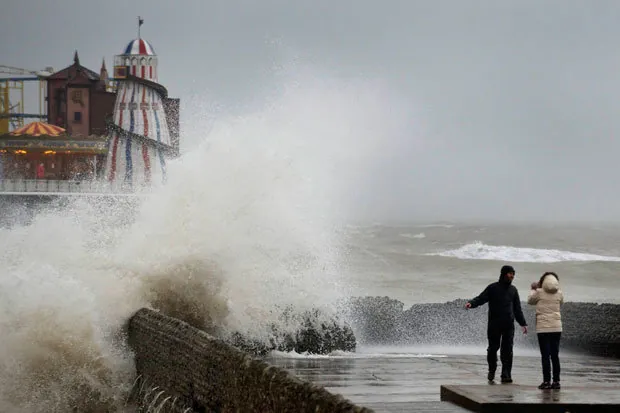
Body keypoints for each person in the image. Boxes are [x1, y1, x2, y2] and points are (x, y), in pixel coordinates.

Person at [465, 265, 528, 383]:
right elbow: (481, 298)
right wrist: (471, 303)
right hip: (494, 323)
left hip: (509, 325)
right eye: (510, 273)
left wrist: (523, 323)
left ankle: (506, 374)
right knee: (493, 348)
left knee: (507, 350)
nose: (512, 276)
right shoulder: (493, 288)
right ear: (504, 274)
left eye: (513, 274)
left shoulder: (513, 290)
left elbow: (517, 309)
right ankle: (492, 369)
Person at [528, 271, 563, 390]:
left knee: (545, 355)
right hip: (557, 327)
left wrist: (533, 288)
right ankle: (556, 382)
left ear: (543, 281)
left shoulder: (538, 292)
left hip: (543, 328)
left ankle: (546, 382)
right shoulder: (559, 293)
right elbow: (561, 304)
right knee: (555, 355)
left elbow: (530, 301)